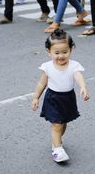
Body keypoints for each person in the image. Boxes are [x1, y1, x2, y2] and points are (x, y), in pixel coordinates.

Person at [31, 29, 89, 163]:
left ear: (71, 50)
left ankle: (56, 141)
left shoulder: (74, 65)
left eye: (65, 52)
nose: (61, 56)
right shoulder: (48, 67)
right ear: (49, 52)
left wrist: (83, 87)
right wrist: (35, 97)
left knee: (63, 123)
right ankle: (57, 149)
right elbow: (41, 84)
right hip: (53, 98)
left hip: (68, 98)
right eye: (56, 53)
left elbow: (78, 76)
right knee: (56, 125)